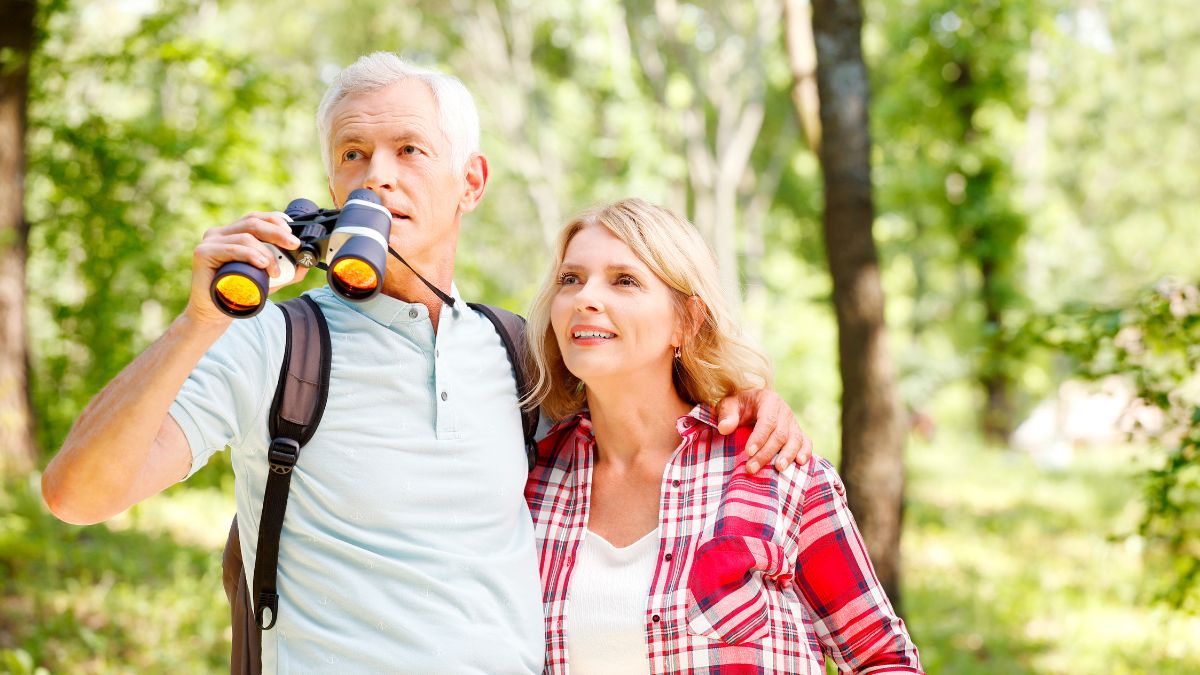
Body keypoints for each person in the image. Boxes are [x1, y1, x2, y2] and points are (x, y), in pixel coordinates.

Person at [40, 53, 811, 672]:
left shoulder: (517, 355)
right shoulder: (269, 343)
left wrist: (746, 397)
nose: (379, 173)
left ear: (469, 182)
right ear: (332, 186)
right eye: (354, 154)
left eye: (410, 150)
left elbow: (645, 410)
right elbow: (78, 493)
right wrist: (194, 323)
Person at [523, 199, 923, 673]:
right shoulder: (529, 482)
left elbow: (883, 659)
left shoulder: (771, 468)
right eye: (570, 279)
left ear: (686, 321)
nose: (585, 298)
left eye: (624, 280)